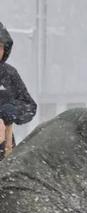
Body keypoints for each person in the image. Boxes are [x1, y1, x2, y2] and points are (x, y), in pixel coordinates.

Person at [0, 22, 38, 157]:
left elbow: (30, 106)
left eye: (0, 47)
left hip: (5, 152)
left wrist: (14, 110)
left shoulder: (8, 74)